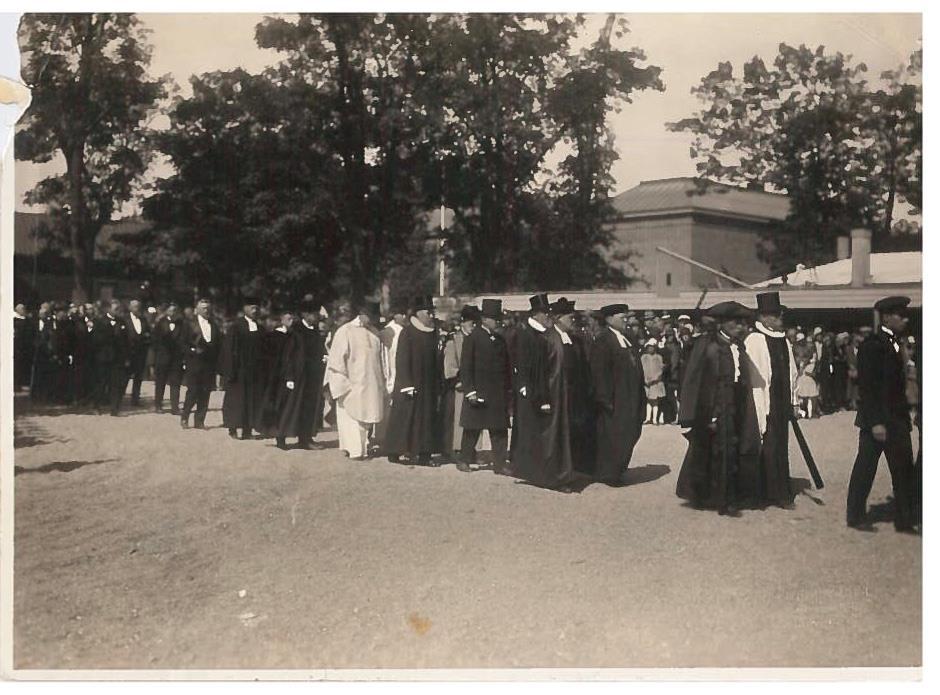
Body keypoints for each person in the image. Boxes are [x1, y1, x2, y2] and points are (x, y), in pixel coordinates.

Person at [675, 301, 760, 516]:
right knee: (713, 451)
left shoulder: (737, 346)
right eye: (735, 323)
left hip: (734, 405)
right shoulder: (707, 345)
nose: (740, 327)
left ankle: (728, 494)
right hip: (712, 407)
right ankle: (718, 498)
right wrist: (695, 413)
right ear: (721, 323)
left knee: (731, 450)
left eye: (742, 323)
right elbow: (693, 378)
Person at [846, 296, 916, 532]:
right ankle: (854, 516)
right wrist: (876, 422)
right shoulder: (872, 345)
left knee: (903, 468)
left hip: (897, 417)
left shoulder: (897, 343)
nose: (905, 319)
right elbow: (868, 387)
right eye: (901, 315)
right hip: (877, 419)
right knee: (866, 468)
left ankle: (904, 520)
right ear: (887, 317)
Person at [743, 291, 799, 508]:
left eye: (779, 315)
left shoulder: (782, 340)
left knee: (780, 446)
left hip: (781, 401)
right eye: (775, 316)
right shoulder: (755, 340)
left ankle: (780, 490)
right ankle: (765, 492)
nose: (779, 319)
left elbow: (791, 371)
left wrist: (794, 401)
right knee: (765, 445)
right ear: (764, 317)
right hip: (763, 401)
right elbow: (755, 379)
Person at [590, 304, 646, 486]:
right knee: (615, 436)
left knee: (631, 432)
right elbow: (599, 372)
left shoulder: (628, 338)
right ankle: (609, 472)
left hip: (631, 396)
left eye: (626, 317)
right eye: (622, 316)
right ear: (609, 319)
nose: (626, 319)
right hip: (616, 398)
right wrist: (605, 399)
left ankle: (619, 468)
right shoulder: (603, 340)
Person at [384, 296, 443, 465]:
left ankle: (425, 454)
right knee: (405, 418)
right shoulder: (407, 333)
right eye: (427, 312)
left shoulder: (433, 333)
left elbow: (436, 360)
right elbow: (401, 359)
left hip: (428, 384)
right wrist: (406, 383)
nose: (431, 315)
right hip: (410, 384)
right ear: (418, 313)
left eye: (432, 312)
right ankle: (394, 451)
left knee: (426, 419)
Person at [326, 301, 387, 460]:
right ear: (361, 314)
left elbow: (381, 359)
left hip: (371, 383)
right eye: (370, 317)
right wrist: (342, 385)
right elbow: (336, 360)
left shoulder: (374, 333)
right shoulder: (345, 331)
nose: (372, 320)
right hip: (351, 384)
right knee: (350, 419)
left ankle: (363, 448)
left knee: (366, 419)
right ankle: (354, 450)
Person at [457, 298, 511, 474]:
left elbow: (506, 367)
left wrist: (508, 390)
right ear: (485, 319)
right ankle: (464, 460)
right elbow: (466, 367)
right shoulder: (473, 338)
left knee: (499, 430)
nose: (498, 322)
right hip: (479, 391)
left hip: (497, 393)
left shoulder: (500, 340)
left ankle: (500, 464)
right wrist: (470, 391)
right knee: (472, 429)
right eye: (495, 319)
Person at [276, 299, 327, 450]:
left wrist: (323, 357)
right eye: (314, 313)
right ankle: (281, 438)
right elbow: (288, 355)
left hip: (312, 377)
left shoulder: (315, 330)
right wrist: (289, 376)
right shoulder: (295, 331)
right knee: (290, 407)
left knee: (309, 408)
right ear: (305, 314)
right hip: (297, 377)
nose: (317, 316)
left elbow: (317, 350)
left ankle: (305, 439)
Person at [221, 298, 264, 440]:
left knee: (251, 400)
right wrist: (231, 370)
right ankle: (232, 428)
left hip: (254, 371)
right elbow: (229, 349)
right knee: (236, 400)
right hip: (238, 370)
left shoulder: (260, 327)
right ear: (245, 309)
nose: (255, 310)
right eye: (252, 307)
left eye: (257, 307)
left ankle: (247, 430)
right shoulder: (236, 326)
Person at [442, 305, 479, 461]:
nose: (474, 326)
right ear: (463, 322)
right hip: (459, 384)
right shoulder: (454, 340)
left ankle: (470, 449)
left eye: (476, 323)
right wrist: (458, 379)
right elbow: (449, 365)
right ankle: (457, 449)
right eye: (471, 322)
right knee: (458, 418)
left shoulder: (477, 338)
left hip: (475, 384)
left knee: (474, 419)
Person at [180, 298, 221, 430]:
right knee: (192, 391)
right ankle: (185, 417)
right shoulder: (189, 324)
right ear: (196, 310)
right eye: (203, 308)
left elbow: (218, 344)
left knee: (205, 392)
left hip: (209, 363)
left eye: (208, 308)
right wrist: (192, 351)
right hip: (194, 362)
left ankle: (200, 420)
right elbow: (182, 344)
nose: (206, 310)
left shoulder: (214, 325)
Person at [91, 300, 131, 416]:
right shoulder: (99, 321)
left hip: (117, 358)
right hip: (103, 357)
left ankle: (114, 408)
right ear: (108, 309)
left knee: (116, 384)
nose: (117, 311)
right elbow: (96, 339)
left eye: (118, 309)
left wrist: (126, 356)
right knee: (101, 383)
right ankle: (96, 406)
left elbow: (126, 341)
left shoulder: (121, 322)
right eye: (115, 309)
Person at [152, 303, 185, 414]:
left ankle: (175, 407)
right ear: (166, 312)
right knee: (160, 382)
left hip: (176, 358)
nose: (173, 313)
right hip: (163, 357)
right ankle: (158, 405)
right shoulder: (160, 323)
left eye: (175, 310)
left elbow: (184, 339)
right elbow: (155, 341)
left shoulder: (181, 324)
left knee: (175, 383)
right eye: (171, 310)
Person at [124, 299, 151, 407]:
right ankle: (120, 397)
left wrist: (146, 338)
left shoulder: (143, 320)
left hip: (140, 353)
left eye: (138, 306)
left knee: (138, 377)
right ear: (130, 308)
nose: (137, 308)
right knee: (125, 376)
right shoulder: (125, 319)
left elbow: (148, 332)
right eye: (134, 306)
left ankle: (135, 399)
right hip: (129, 352)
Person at [641, 339, 665, 425]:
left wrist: (656, 378)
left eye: (652, 347)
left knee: (655, 401)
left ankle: (655, 419)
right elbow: (641, 369)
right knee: (648, 400)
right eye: (649, 347)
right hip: (646, 381)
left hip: (655, 382)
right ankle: (648, 418)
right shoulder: (643, 357)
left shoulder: (659, 357)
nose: (650, 349)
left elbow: (661, 369)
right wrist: (644, 379)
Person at [13, 303, 34, 391]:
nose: (24, 311)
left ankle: (21, 383)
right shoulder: (17, 320)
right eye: (22, 309)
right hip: (19, 347)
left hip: (24, 347)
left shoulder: (25, 320)